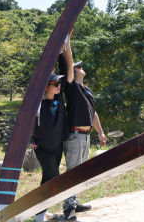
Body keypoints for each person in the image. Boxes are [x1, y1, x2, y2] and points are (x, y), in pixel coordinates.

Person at [60, 29, 107, 221]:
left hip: (86, 136)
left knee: (80, 173)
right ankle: (68, 209)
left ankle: (75, 202)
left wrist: (101, 133)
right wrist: (67, 39)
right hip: (75, 135)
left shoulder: (87, 90)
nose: (80, 67)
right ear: (74, 71)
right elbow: (68, 60)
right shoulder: (72, 86)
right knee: (72, 172)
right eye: (77, 67)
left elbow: (93, 113)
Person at [32, 72, 69, 222]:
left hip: (57, 147)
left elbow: (64, 76)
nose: (59, 86)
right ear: (45, 88)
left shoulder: (59, 100)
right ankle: (32, 209)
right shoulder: (38, 106)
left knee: (46, 182)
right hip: (43, 150)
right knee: (55, 181)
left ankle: (39, 215)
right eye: (55, 84)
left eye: (59, 84)